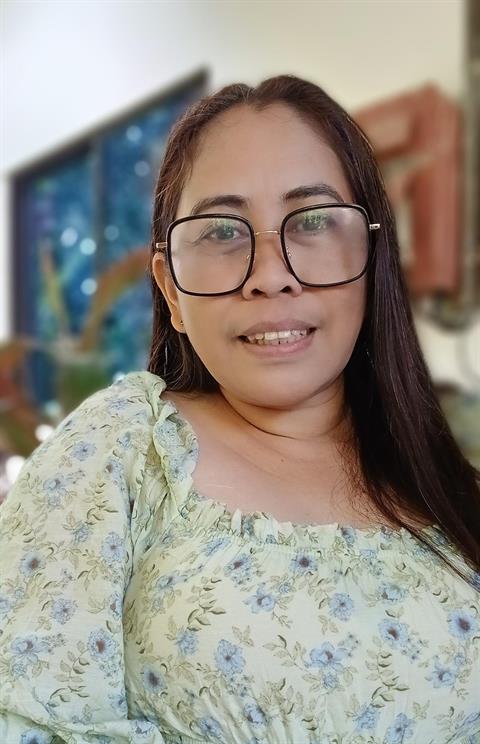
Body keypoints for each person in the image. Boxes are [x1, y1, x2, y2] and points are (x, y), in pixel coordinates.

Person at [1, 75, 479, 744]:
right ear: (171, 289)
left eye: (312, 221)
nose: (271, 275)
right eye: (223, 231)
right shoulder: (123, 450)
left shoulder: (454, 495)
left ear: (372, 256)